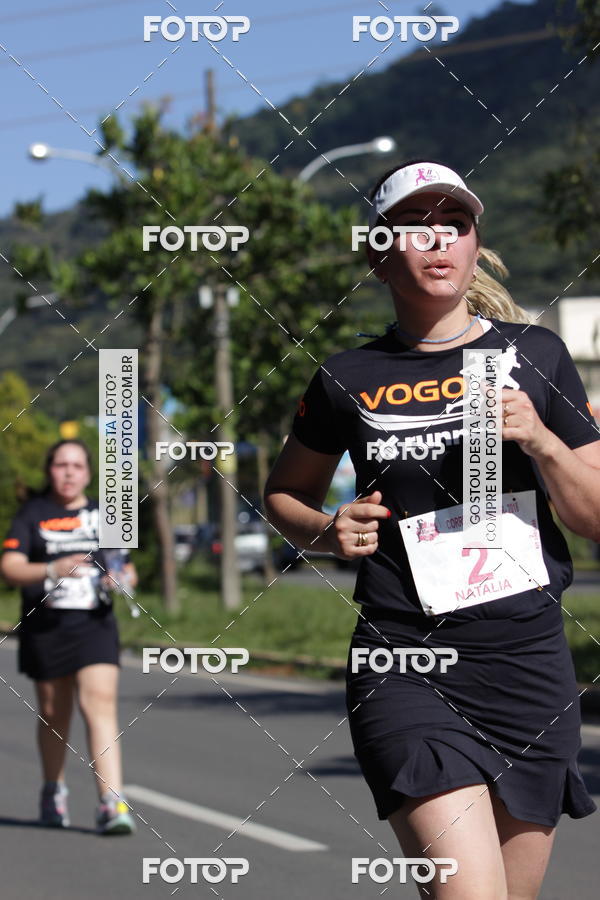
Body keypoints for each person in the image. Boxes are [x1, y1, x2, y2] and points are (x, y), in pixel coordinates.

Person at [264, 159, 599, 898]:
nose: (439, 240)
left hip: (527, 665)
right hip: (406, 662)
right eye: (416, 228)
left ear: (476, 244)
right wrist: (328, 528)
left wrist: (542, 441)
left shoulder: (535, 356)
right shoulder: (347, 375)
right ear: (380, 252)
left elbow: (595, 515)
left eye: (456, 225)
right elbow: (285, 495)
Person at [0, 439, 138, 835]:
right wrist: (52, 568)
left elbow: (124, 566)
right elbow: (10, 566)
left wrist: (122, 579)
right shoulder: (33, 514)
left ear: (89, 473)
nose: (69, 472)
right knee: (54, 714)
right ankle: (53, 789)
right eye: (61, 464)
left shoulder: (105, 515)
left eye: (77, 465)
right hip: (46, 626)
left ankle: (112, 802)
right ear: (50, 470)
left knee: (100, 703)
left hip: (94, 624)